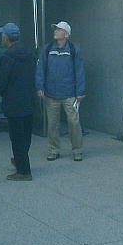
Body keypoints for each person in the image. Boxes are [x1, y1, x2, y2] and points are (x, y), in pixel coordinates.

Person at [35, 21, 86, 161]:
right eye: (55, 29)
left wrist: (80, 91)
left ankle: (77, 150)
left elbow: (79, 71)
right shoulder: (46, 49)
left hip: (70, 94)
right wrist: (39, 87)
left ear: (66, 35)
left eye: (59, 29)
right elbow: (40, 69)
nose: (55, 31)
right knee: (52, 124)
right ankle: (53, 150)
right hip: (51, 94)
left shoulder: (74, 50)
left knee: (74, 123)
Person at [0, 22, 36, 181]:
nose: (1, 37)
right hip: (29, 100)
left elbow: (2, 83)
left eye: (2, 35)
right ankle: (20, 160)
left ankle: (24, 171)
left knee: (16, 137)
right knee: (25, 135)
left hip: (13, 102)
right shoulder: (30, 53)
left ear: (6, 38)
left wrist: (3, 93)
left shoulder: (7, 57)